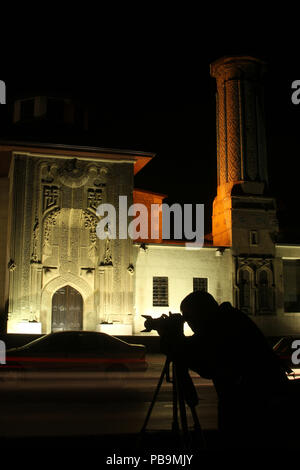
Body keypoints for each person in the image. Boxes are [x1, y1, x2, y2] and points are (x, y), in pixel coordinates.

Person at [160, 291, 289, 448]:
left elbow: (207, 366)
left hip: (253, 408)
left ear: (201, 312)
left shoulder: (223, 325)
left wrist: (175, 341)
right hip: (252, 402)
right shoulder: (226, 319)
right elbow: (198, 349)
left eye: (189, 318)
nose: (190, 324)